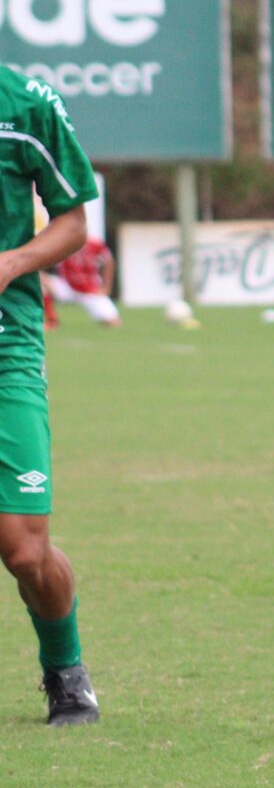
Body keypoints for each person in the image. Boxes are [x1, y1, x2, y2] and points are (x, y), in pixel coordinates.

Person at [0, 66, 100, 725]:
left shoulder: (26, 105)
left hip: (7, 348)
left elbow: (72, 223)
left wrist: (9, 263)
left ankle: (65, 668)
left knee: (25, 548)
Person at [42, 196, 121, 328]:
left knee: (113, 323)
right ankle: (51, 320)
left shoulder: (94, 244)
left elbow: (109, 261)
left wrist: (106, 287)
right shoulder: (63, 243)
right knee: (39, 281)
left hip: (89, 290)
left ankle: (100, 316)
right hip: (66, 286)